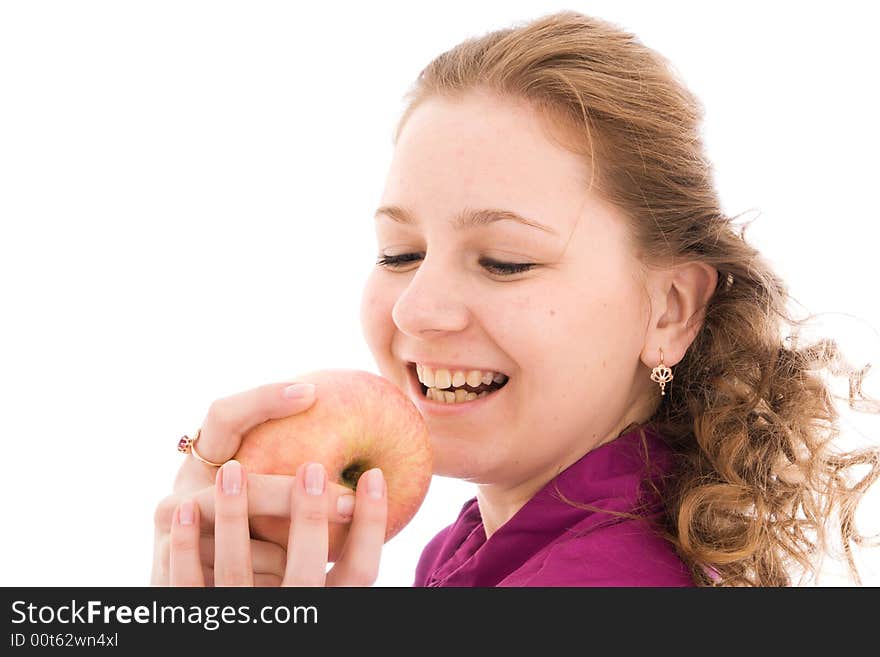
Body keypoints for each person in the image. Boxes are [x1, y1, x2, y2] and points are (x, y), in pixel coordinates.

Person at [151, 10, 880, 587]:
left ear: (669, 311)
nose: (416, 309)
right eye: (399, 253)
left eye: (504, 261)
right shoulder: (472, 545)